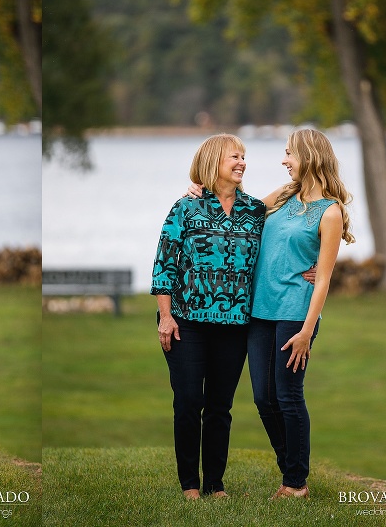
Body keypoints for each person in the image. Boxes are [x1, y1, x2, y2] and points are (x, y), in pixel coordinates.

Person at [151, 134, 266, 499]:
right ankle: (190, 484)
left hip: (234, 327)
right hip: (186, 324)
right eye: (235, 156)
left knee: (220, 407)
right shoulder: (185, 208)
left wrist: (311, 267)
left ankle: (215, 484)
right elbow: (163, 266)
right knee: (187, 401)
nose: (242, 162)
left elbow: (291, 236)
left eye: (244, 156)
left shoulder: (256, 210)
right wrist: (166, 318)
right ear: (214, 160)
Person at [247, 128, 354, 499]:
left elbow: (322, 279)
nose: (284, 159)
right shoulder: (283, 195)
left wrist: (308, 330)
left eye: (289, 152)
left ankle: (295, 483)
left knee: (288, 396)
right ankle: (291, 469)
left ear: (309, 155)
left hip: (295, 313)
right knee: (263, 397)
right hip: (259, 311)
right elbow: (240, 213)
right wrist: (199, 191)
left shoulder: (331, 212)